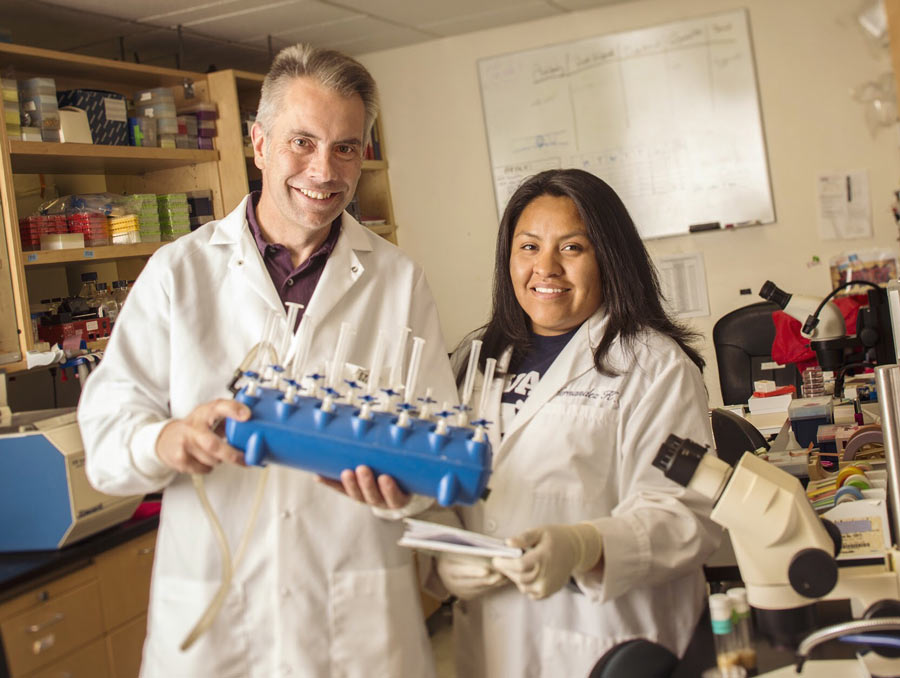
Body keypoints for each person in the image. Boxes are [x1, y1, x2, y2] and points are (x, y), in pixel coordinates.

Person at [78, 44, 456, 678]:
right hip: (218, 620)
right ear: (259, 144)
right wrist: (168, 439)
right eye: (301, 142)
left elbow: (437, 451)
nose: (323, 168)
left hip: (355, 626)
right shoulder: (180, 273)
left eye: (346, 147)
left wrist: (402, 492)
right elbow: (107, 443)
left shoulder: (398, 281)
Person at [434, 169, 721, 677]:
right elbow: (441, 484)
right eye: (528, 246)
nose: (545, 267)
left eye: (571, 248)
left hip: (606, 640)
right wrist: (444, 556)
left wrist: (585, 546)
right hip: (491, 641)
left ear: (608, 258)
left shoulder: (656, 367)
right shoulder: (471, 361)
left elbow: (686, 517)